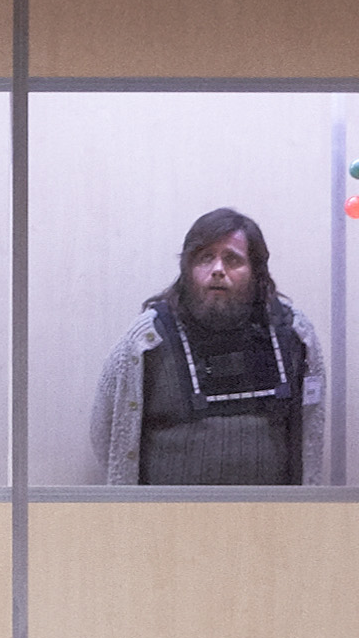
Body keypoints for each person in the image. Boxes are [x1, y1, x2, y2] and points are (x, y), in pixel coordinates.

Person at [82, 207, 325, 485]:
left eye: (233, 259)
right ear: (187, 268)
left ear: (256, 271)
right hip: (166, 510)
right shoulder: (147, 339)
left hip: (268, 510)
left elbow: (311, 428)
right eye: (205, 258)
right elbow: (107, 429)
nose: (218, 270)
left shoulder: (294, 334)